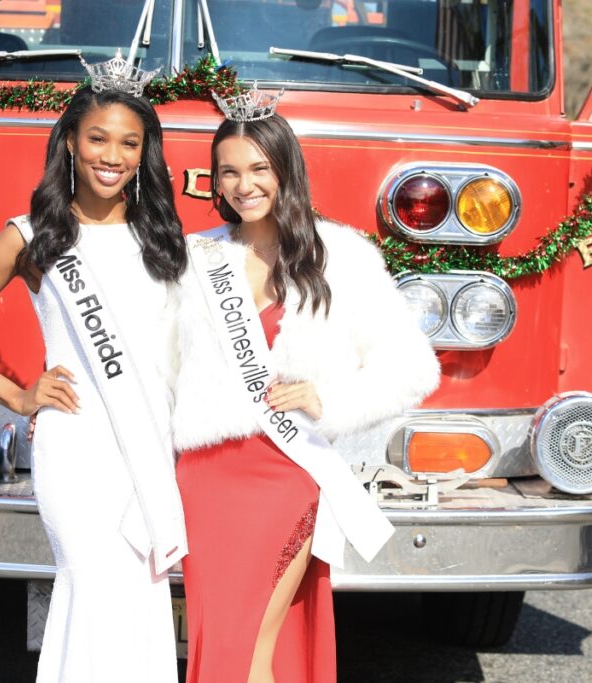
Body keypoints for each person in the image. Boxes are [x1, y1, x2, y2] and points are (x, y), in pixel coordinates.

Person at [168, 102, 441, 683]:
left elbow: (413, 367)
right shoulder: (196, 259)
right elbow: (157, 369)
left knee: (247, 650)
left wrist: (329, 402)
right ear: (214, 180)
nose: (244, 185)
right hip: (204, 480)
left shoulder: (342, 257)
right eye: (229, 172)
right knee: (221, 644)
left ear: (286, 170)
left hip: (286, 474)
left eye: (259, 169)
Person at [0, 84, 188, 682]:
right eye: (98, 138)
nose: (112, 156)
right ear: (71, 142)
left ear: (144, 151)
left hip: (146, 447)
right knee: (91, 587)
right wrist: (18, 395)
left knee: (142, 594)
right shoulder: (30, 237)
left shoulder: (163, 237)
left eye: (129, 142)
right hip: (76, 447)